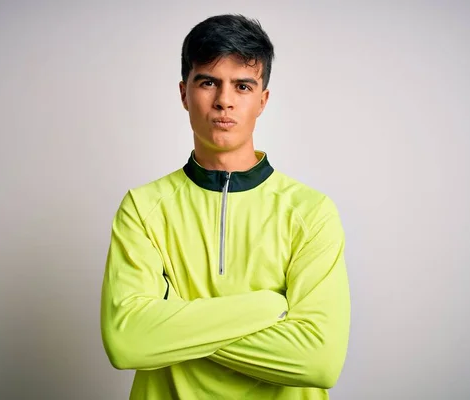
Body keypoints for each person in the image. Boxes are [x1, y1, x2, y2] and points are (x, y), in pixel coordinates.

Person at [100, 13, 351, 400]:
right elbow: (128, 342)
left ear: (262, 100)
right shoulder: (143, 208)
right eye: (208, 82)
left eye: (243, 86)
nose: (224, 101)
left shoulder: (311, 212)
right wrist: (270, 307)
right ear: (184, 93)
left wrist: (174, 324)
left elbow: (319, 360)